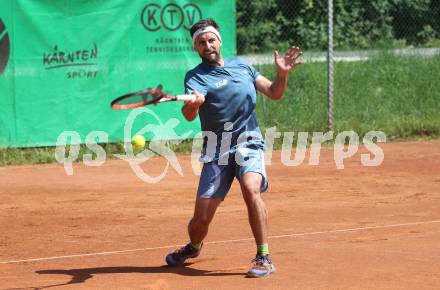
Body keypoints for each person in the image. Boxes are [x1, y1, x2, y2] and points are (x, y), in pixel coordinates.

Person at [165, 18, 302, 278]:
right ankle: (194, 247)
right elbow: (188, 115)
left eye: (211, 39)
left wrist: (282, 74)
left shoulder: (243, 66)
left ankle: (264, 257)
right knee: (200, 223)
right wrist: (194, 104)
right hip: (217, 150)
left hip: (249, 143)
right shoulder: (195, 77)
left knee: (252, 190)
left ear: (219, 41)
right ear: (196, 48)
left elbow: (274, 93)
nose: (207, 45)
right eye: (201, 42)